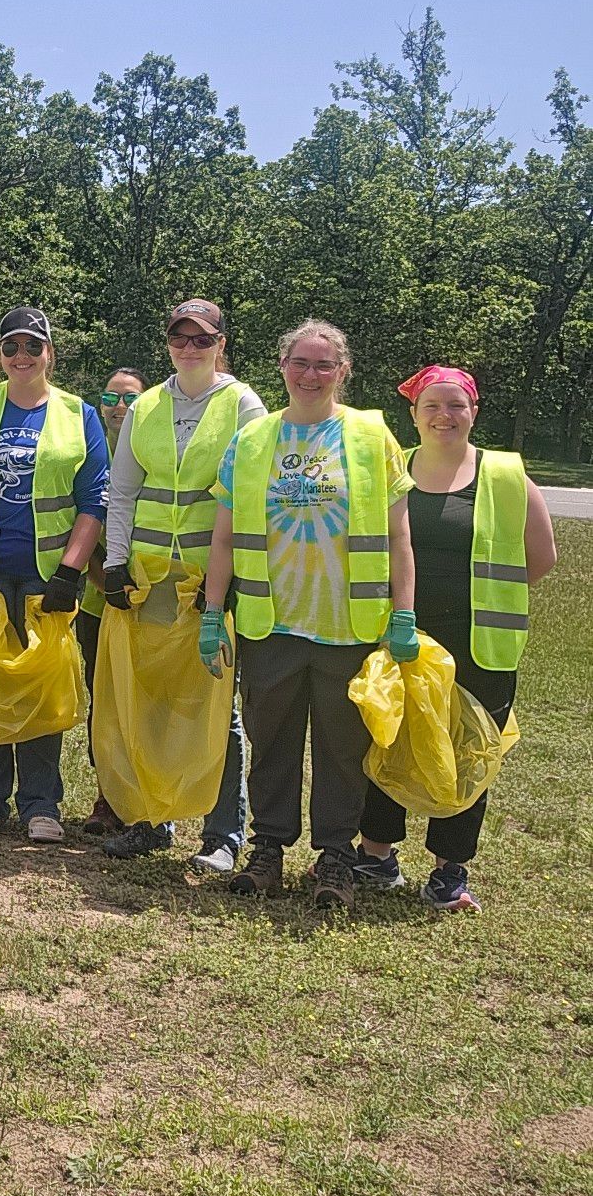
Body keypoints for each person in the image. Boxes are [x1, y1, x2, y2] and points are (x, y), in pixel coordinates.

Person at [203, 319, 416, 910]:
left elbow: (400, 538)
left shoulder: (372, 437)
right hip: (271, 623)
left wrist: (404, 613)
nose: (311, 374)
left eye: (325, 365)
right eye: (301, 362)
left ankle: (335, 857)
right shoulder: (251, 441)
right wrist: (212, 612)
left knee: (342, 749)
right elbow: (223, 540)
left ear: (342, 371)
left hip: (348, 626)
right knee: (271, 741)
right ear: (282, 366)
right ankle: (268, 847)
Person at [354, 365, 557, 911]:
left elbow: (542, 558)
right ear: (415, 416)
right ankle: (375, 856)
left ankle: (449, 871)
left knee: (469, 751)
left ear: (473, 411)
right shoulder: (392, 469)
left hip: (480, 642)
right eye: (432, 407)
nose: (444, 416)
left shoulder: (506, 475)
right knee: (387, 737)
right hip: (401, 635)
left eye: (456, 406)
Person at [98, 302, 267, 872]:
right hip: (150, 578)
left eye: (202, 338)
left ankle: (223, 836)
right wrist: (117, 563)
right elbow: (121, 493)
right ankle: (151, 820)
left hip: (209, 580)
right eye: (179, 336)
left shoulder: (242, 404)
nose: (189, 347)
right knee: (152, 697)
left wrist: (235, 576)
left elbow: (250, 497)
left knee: (218, 704)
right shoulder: (146, 405)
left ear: (222, 343)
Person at [0, 307, 109, 845]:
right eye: (11, 346)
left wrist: (70, 572)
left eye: (33, 347)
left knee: (41, 690)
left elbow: (94, 499)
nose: (22, 357)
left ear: (49, 354)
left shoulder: (78, 414)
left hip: (47, 578)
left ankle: (42, 802)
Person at [78, 368, 145, 839]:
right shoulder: (88, 452)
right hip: (96, 604)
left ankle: (143, 803)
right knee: (103, 704)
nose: (119, 406)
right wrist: (101, 577)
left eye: (130, 399)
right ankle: (107, 797)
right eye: (110, 397)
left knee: (141, 705)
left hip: (147, 601)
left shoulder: (155, 451)